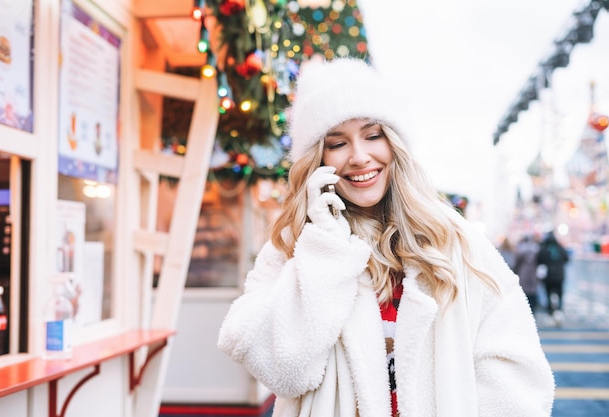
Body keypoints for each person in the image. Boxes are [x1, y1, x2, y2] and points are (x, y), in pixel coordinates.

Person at [217, 58, 554, 417]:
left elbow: (516, 368)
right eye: (337, 143)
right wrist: (324, 251)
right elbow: (282, 371)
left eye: (373, 135)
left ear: (395, 143)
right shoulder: (296, 245)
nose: (360, 157)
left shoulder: (454, 240)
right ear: (317, 159)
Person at [536, 230, 569, 319]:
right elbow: (567, 259)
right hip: (559, 275)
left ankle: (550, 311)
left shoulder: (544, 249)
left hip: (548, 276)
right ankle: (559, 310)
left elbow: (539, 260)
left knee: (548, 293)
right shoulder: (561, 249)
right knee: (560, 293)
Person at [513, 234, 540, 313]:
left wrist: (515, 271)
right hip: (533, 272)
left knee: (524, 292)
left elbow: (517, 262)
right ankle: (533, 309)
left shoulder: (520, 249)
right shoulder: (536, 248)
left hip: (523, 272)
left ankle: (525, 310)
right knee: (532, 291)